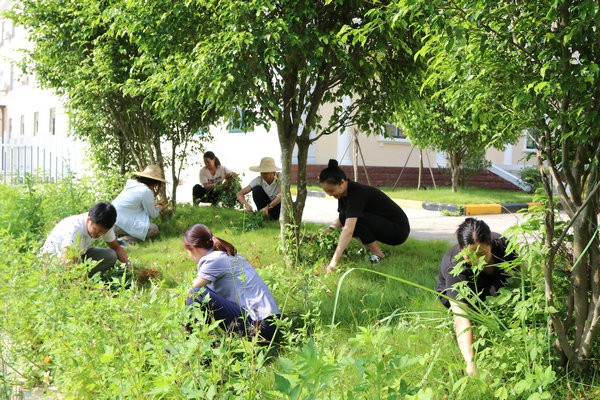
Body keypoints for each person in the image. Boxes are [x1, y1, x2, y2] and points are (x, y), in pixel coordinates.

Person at [436, 218, 517, 375]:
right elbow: (461, 318)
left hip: (490, 286)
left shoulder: (502, 245)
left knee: (505, 289)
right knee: (468, 314)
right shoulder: (455, 266)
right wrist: (470, 364)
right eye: (469, 255)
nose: (475, 260)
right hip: (458, 292)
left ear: (490, 245)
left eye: (481, 254)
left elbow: (523, 275)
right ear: (461, 250)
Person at [183, 224, 280, 340]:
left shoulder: (213, 260)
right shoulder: (223, 255)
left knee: (196, 294)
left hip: (261, 327)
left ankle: (196, 346)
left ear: (195, 249)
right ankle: (208, 341)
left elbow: (190, 291)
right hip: (271, 324)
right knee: (202, 293)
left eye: (188, 251)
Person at [317, 159, 410, 273]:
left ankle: (377, 254)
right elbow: (341, 220)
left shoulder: (357, 193)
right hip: (385, 224)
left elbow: (348, 230)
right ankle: (368, 249)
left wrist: (333, 262)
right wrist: (323, 234)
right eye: (327, 192)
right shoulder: (344, 193)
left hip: (398, 230)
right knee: (345, 216)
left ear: (342, 182)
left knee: (354, 220)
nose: (330, 194)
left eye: (331, 190)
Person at [40, 202, 131, 277]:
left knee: (111, 255)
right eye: (97, 230)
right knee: (74, 263)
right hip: (55, 261)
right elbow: (67, 262)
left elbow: (116, 248)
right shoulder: (74, 228)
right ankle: (77, 282)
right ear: (88, 220)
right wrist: (89, 288)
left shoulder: (105, 224)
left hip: (78, 256)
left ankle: (82, 278)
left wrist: (130, 267)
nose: (99, 234)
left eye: (103, 232)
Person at [112, 164, 166, 245]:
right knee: (153, 229)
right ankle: (122, 241)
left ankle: (116, 237)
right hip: (117, 224)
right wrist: (158, 208)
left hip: (110, 220)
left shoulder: (131, 185)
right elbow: (153, 215)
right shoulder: (145, 191)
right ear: (156, 183)